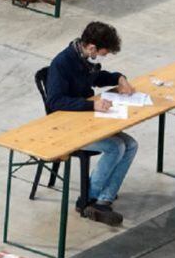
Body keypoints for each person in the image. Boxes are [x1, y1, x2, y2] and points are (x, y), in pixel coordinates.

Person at [45, 21, 137, 226]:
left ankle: (105, 198)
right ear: (91, 47)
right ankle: (86, 199)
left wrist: (119, 78)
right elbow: (55, 102)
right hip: (67, 127)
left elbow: (97, 78)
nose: (100, 58)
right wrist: (92, 106)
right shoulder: (62, 64)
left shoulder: (85, 59)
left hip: (86, 120)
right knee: (116, 147)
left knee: (131, 145)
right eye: (101, 53)